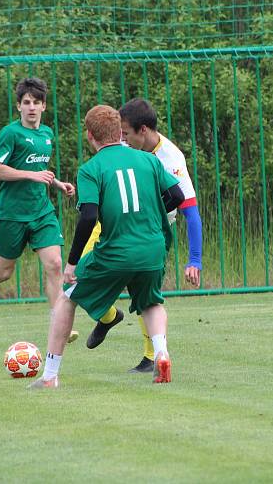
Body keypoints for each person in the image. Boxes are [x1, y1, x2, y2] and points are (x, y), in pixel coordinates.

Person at [29, 104, 184, 388]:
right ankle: (161, 353)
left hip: (115, 251)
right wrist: (152, 214)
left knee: (67, 297)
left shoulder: (91, 169)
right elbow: (176, 194)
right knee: (151, 302)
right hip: (152, 249)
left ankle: (50, 376)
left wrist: (72, 263)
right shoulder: (147, 160)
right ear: (119, 131)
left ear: (90, 136)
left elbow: (88, 215)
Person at [0, 77, 78, 339]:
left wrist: (56, 183)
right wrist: (31, 176)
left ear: (44, 106)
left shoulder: (47, 134)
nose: (31, 107)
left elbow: (39, 169)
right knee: (4, 271)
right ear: (19, 106)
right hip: (12, 214)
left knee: (55, 263)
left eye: (36, 102)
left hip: (41, 212)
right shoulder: (10, 133)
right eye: (26, 102)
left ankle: (59, 323)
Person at [118, 98, 203, 373]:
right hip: (123, 223)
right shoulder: (125, 147)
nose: (123, 140)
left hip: (154, 231)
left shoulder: (172, 159)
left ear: (143, 130)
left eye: (126, 134)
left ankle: (153, 354)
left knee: (142, 289)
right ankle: (111, 320)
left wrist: (195, 260)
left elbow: (190, 212)